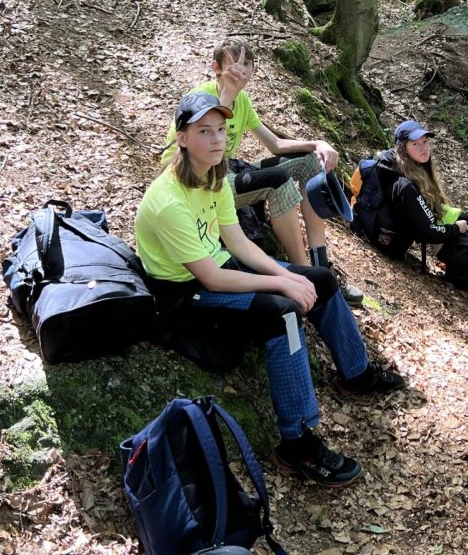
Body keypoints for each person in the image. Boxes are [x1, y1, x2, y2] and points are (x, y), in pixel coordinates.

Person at [136, 92, 404, 488]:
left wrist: (290, 274)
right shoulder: (168, 202)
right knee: (284, 314)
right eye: (204, 131)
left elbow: (237, 243)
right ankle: (297, 443)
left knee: (321, 279)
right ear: (182, 139)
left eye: (221, 130)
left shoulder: (213, 177)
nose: (216, 139)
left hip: (221, 266)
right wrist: (281, 282)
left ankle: (356, 373)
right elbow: (211, 278)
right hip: (184, 293)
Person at [167, 37, 364, 305]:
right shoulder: (200, 99)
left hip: (227, 173)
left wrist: (317, 143)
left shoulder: (243, 101)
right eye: (234, 64)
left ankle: (320, 263)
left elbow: (276, 145)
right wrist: (227, 94)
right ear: (216, 67)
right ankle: (305, 275)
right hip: (200, 182)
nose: (242, 70)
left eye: (247, 64)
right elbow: (187, 157)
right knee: (277, 180)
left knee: (310, 161)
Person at [358, 119, 468, 286]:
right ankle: (462, 275)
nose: (423, 148)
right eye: (415, 144)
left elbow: (436, 207)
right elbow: (429, 233)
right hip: (445, 241)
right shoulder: (405, 185)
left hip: (446, 229)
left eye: (425, 142)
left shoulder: (416, 169)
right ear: (403, 149)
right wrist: (458, 228)